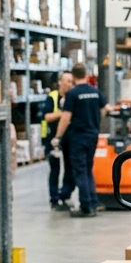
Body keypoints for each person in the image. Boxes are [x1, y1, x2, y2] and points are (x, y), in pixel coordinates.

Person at [51, 63, 103, 218]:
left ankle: (86, 206)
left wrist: (58, 137)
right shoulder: (95, 92)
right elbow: (105, 109)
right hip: (92, 135)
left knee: (80, 171)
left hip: (78, 138)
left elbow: (65, 118)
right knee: (88, 169)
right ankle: (93, 202)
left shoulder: (73, 94)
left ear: (73, 76)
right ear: (86, 74)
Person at [42, 71, 75, 211]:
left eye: (71, 81)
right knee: (55, 169)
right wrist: (63, 113)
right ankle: (54, 199)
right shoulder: (52, 97)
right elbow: (47, 116)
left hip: (69, 138)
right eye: (66, 81)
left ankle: (65, 195)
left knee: (70, 168)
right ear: (60, 82)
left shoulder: (73, 97)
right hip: (53, 139)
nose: (69, 84)